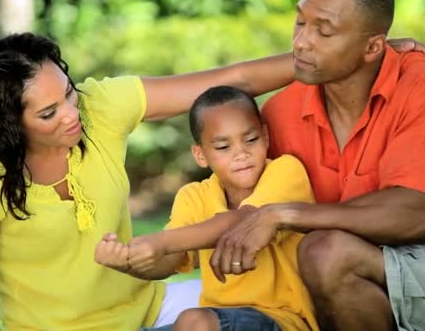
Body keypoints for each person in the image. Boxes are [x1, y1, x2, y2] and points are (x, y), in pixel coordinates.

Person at [0, 32, 298, 331]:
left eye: (68, 93)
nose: (72, 115)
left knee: (244, 311)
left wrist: (322, 58)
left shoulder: (98, 107)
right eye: (48, 113)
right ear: (10, 124)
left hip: (152, 310)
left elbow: (236, 81)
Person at [208, 0, 425, 330]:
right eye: (300, 21)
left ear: (372, 47)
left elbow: (413, 216)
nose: (301, 42)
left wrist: (284, 214)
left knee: (327, 253)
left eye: (323, 31)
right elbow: (241, 208)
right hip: (335, 289)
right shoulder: (280, 114)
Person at [95, 85, 318, 331]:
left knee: (194, 321)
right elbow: (169, 262)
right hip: (215, 319)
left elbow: (244, 219)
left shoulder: (285, 171)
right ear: (200, 155)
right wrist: (128, 262)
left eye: (251, 140)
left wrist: (161, 242)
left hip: (281, 319)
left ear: (265, 137)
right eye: (224, 147)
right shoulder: (193, 197)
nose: (241, 154)